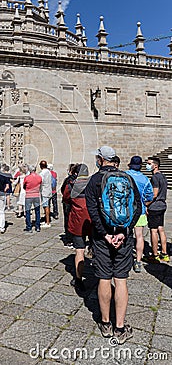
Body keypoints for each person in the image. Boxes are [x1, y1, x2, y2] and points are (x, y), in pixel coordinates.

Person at [85, 146, 141, 344]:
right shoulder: (127, 178)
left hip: (102, 239)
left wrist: (105, 234)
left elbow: (92, 211)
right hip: (124, 237)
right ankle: (120, 327)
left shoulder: (94, 180)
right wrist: (124, 232)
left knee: (103, 277)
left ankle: (106, 324)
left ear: (100, 159)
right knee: (121, 279)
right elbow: (137, 207)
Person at [63, 164, 91, 292]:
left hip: (78, 221)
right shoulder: (93, 183)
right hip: (92, 220)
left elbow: (66, 199)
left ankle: (78, 279)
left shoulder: (72, 185)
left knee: (79, 251)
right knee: (96, 247)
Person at [126, 156, 153, 272]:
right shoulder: (145, 179)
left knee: (124, 235)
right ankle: (138, 261)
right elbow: (150, 196)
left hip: (125, 210)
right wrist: (144, 203)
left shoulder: (124, 175)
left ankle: (123, 259)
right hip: (140, 210)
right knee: (139, 236)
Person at [144, 157, 169, 263]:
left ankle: (154, 255)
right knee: (161, 229)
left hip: (155, 206)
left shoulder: (155, 178)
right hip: (162, 205)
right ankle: (164, 253)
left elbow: (154, 194)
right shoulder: (163, 176)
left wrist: (146, 205)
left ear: (155, 165)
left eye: (149, 163)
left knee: (153, 230)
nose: (147, 165)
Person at [61, 163, 77, 247]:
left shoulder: (68, 180)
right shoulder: (79, 180)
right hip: (76, 203)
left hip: (68, 202)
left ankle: (69, 239)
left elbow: (63, 190)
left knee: (67, 220)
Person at [23, 165, 42, 232]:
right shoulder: (39, 177)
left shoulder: (27, 178)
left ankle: (29, 227)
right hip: (36, 195)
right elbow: (40, 185)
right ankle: (37, 226)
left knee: (28, 211)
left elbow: (24, 186)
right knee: (37, 211)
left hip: (29, 195)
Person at [39, 160, 52, 227]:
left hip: (44, 191)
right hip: (48, 190)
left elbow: (40, 181)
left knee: (46, 206)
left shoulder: (42, 173)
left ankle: (47, 222)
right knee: (47, 206)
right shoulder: (49, 172)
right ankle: (46, 220)